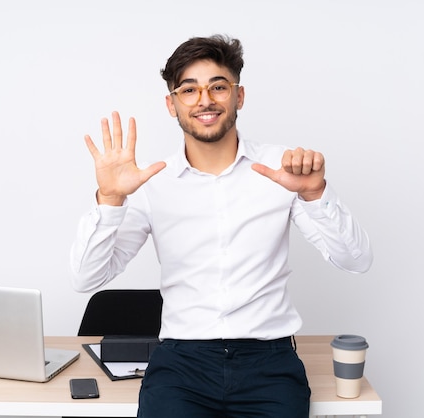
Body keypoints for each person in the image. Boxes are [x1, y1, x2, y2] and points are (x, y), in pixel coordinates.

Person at [70, 34, 372, 418]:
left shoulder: (283, 169)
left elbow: (357, 260)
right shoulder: (151, 182)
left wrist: (315, 194)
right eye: (189, 89)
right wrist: (110, 199)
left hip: (270, 363)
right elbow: (85, 278)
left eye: (217, 86)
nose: (204, 100)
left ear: (239, 96)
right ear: (171, 103)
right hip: (182, 364)